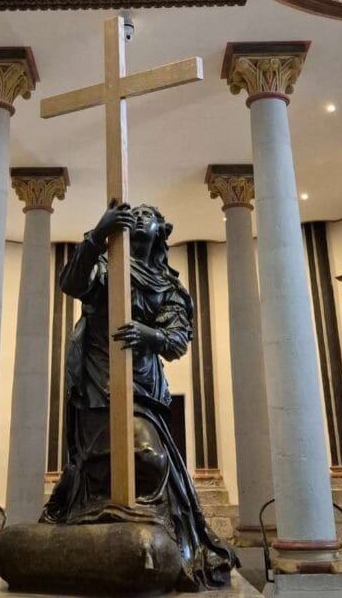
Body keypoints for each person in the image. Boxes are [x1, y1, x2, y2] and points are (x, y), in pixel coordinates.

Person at [41, 201, 237, 590]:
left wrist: (152, 336)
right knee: (98, 464)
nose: (140, 214)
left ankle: (150, 535)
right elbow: (72, 283)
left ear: (160, 231)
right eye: (137, 213)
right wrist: (97, 235)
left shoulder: (168, 286)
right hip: (97, 379)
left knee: (147, 457)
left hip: (142, 387)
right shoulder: (107, 265)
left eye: (149, 213)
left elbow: (179, 339)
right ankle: (97, 529)